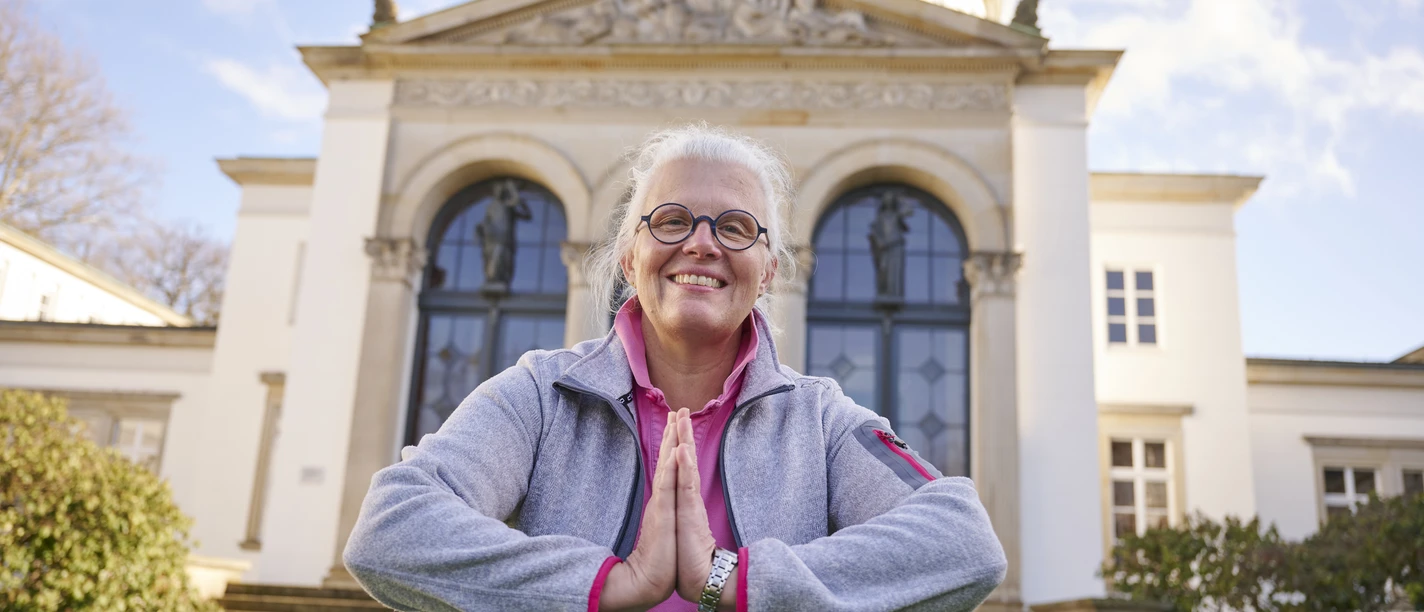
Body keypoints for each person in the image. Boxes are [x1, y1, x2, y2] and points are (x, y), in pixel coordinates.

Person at [343, 124, 1007, 611]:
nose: (701, 243)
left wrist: (730, 579)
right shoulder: (540, 395)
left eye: (736, 227)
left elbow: (963, 540)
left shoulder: (820, 419)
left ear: (769, 271)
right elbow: (391, 526)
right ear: (629, 257)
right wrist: (609, 585)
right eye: (671, 220)